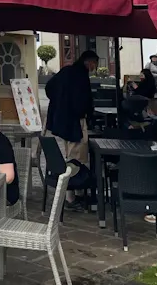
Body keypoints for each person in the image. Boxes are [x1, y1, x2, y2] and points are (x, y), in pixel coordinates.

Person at [45, 50, 97, 207]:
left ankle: (74, 193)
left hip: (62, 122)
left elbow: (49, 88)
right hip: (75, 122)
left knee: (70, 155)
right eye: (94, 63)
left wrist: (60, 105)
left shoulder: (67, 71)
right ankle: (71, 196)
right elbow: (84, 101)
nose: (95, 67)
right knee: (76, 159)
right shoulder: (80, 76)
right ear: (89, 62)